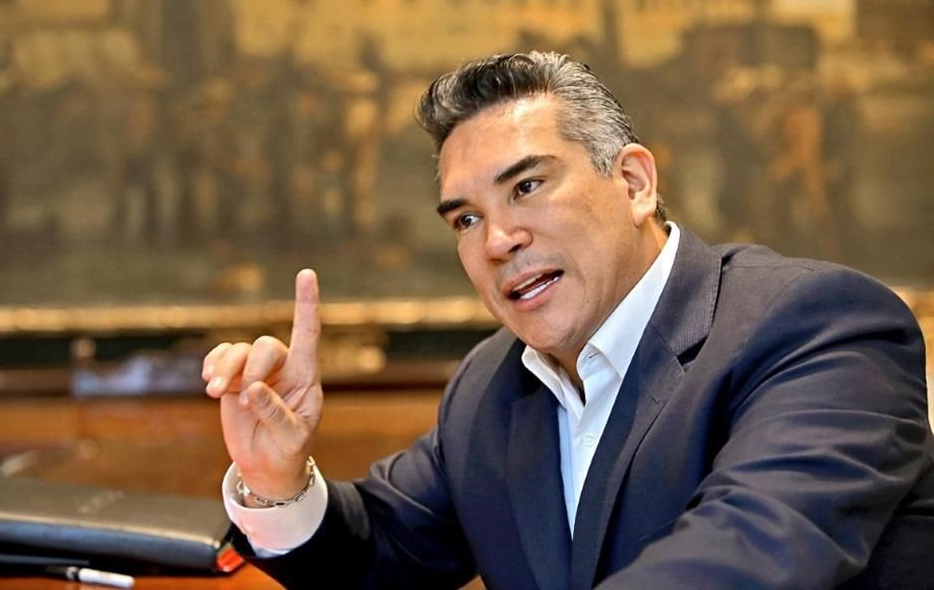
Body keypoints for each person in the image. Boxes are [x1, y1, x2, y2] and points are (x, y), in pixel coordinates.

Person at [202, 52, 934, 589]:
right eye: (466, 219)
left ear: (634, 182)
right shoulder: (489, 384)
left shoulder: (817, 327)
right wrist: (277, 481)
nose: (497, 240)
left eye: (527, 186)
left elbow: (745, 558)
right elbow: (381, 553)